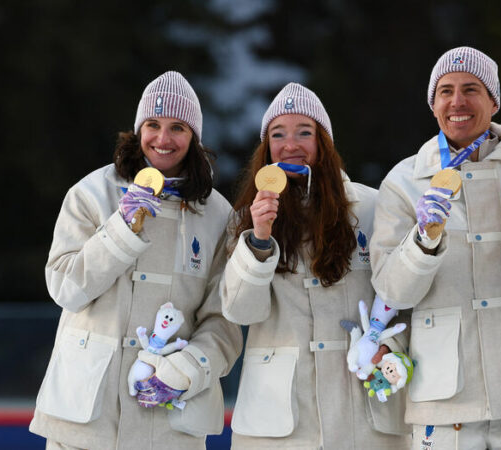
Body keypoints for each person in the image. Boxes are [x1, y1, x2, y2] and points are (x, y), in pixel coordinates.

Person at [30, 71, 243, 449]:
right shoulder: (90, 194)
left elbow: (223, 322)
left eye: (177, 127)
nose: (163, 139)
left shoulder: (218, 215)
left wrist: (187, 371)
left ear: (194, 137)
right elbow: (65, 289)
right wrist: (121, 228)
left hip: (169, 425)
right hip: (85, 421)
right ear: (138, 129)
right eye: (153, 125)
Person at [370, 47, 501, 449]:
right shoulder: (404, 180)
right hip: (441, 398)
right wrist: (423, 240)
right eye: (445, 91)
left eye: (471, 89)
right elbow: (392, 291)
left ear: (494, 101)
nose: (457, 102)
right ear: (433, 105)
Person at [220, 82, 410, 449]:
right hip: (279, 425)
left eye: (304, 132)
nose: (290, 144)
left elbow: (405, 299)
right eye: (278, 134)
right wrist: (259, 239)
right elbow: (241, 312)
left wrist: (390, 348)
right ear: (266, 149)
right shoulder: (243, 220)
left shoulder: (373, 208)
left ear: (324, 143)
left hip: (364, 417)